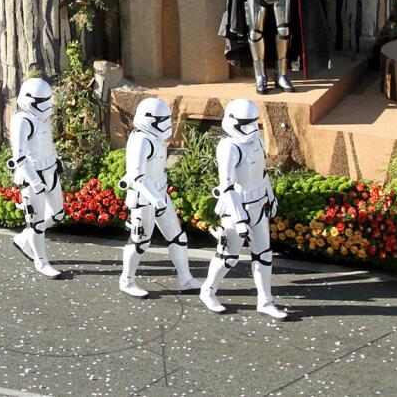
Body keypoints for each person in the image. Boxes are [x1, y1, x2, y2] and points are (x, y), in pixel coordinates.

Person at [198, 99, 288, 318]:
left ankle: (265, 301)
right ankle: (208, 290)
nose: (250, 127)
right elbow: (227, 186)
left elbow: (262, 173)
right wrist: (238, 219)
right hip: (236, 208)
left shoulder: (256, 141)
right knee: (228, 256)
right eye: (245, 123)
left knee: (264, 255)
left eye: (253, 122)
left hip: (258, 205)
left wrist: (270, 196)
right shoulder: (229, 146)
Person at [118, 98, 199, 298]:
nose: (165, 124)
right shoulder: (140, 140)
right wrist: (156, 200)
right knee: (140, 242)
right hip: (144, 198)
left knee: (177, 237)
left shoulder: (154, 138)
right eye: (160, 119)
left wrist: (160, 198)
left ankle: (185, 278)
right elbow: (137, 177)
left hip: (160, 193)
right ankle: (126, 280)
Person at [9, 78, 64, 279]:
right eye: (41, 101)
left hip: (50, 170)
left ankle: (24, 239)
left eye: (47, 100)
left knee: (57, 213)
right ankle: (41, 261)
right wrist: (34, 181)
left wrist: (57, 161)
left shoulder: (42, 117)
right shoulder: (22, 121)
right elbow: (19, 157)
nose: (46, 105)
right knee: (37, 223)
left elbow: (48, 142)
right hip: (33, 175)